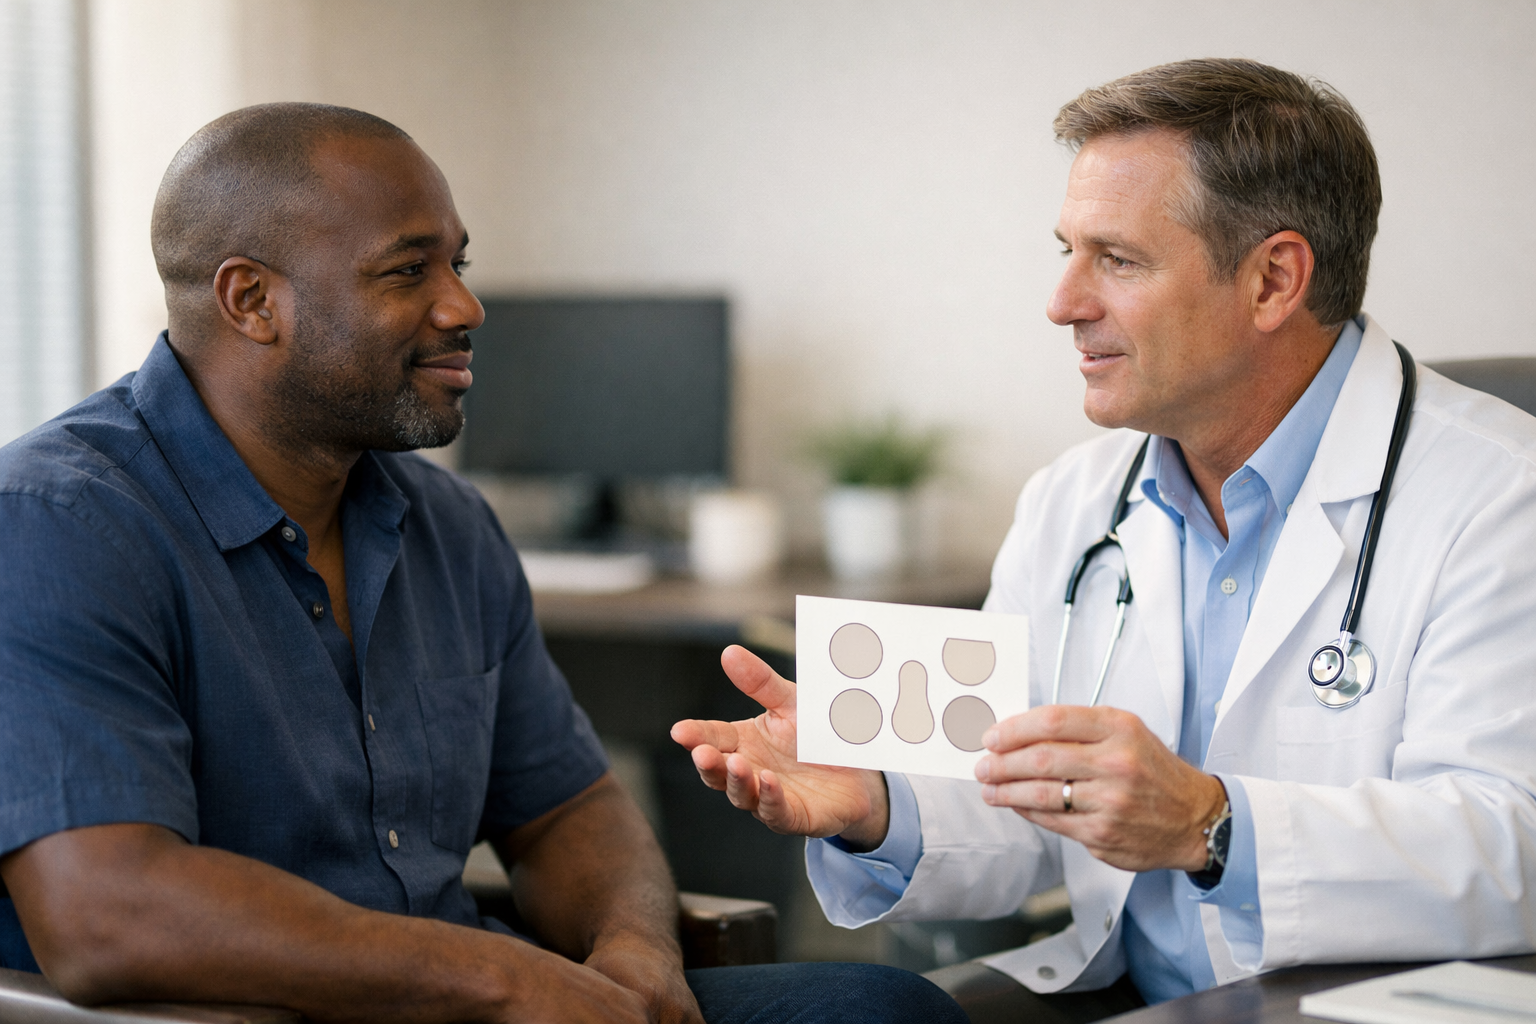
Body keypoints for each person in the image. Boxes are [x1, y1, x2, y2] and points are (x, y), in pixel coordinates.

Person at [0, 104, 967, 1024]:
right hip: (255, 1015)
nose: (463, 305)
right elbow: (104, 911)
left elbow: (564, 809)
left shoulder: (448, 524)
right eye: (406, 271)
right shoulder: (57, 522)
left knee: (886, 1007)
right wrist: (497, 979)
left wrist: (634, 947)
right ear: (252, 300)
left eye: (457, 264)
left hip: (470, 1000)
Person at [673, 58, 1536, 1019]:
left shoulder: (1502, 496)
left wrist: (1212, 825)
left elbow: (1516, 848)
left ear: (1274, 280)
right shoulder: (1075, 502)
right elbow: (1016, 808)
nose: (1063, 301)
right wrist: (879, 804)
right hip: (1124, 996)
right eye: (1066, 250)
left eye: (1117, 259)